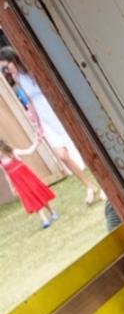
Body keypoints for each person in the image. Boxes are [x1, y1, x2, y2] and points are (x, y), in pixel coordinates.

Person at [0, 46, 104, 206]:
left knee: (86, 148)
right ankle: (88, 185)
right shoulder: (17, 78)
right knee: (62, 156)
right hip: (45, 119)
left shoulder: (31, 70)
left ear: (13, 59)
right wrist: (37, 124)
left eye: (7, 66)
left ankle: (104, 184)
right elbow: (30, 101)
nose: (7, 70)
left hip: (57, 112)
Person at [0, 137, 57, 229]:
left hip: (29, 179)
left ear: (2, 148)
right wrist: (12, 188)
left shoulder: (15, 153)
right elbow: (7, 175)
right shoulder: (1, 164)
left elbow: (29, 151)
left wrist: (37, 142)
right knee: (31, 199)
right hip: (20, 185)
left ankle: (52, 212)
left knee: (39, 195)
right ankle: (44, 220)